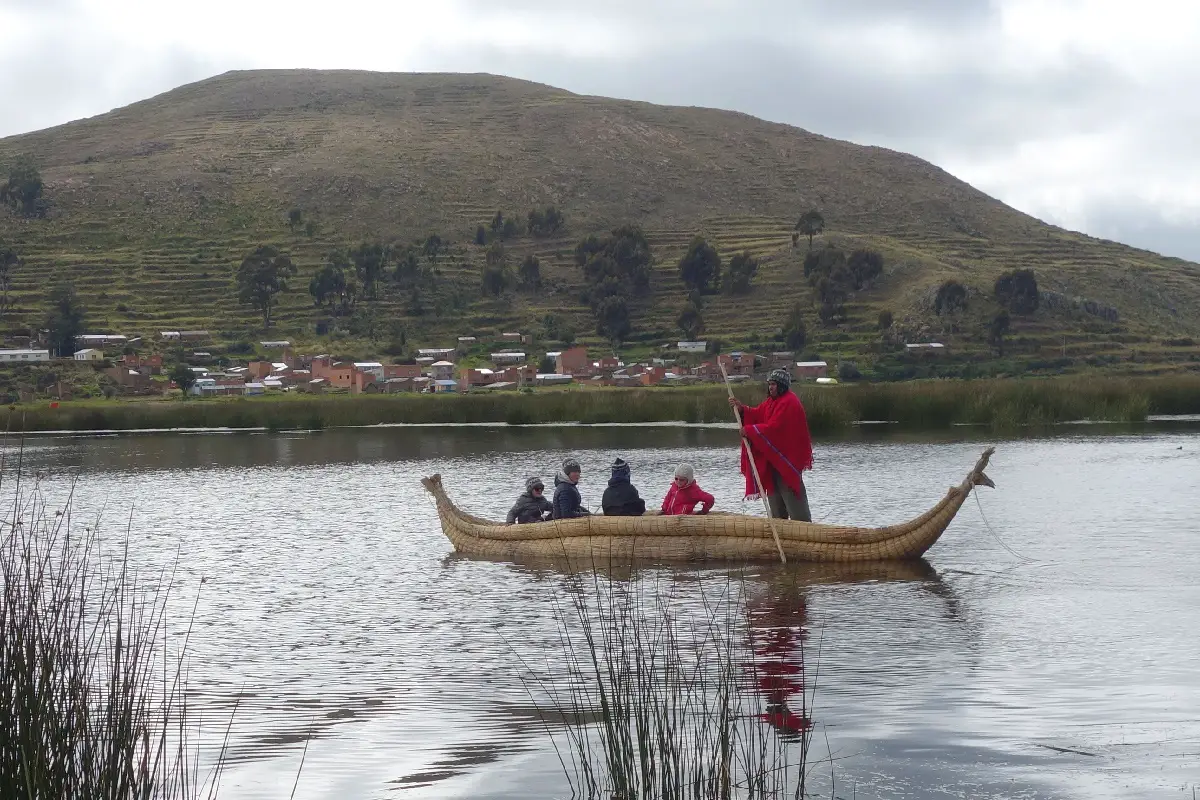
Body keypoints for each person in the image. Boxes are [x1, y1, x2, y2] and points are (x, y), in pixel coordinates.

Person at [728, 368, 813, 521]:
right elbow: (758, 414)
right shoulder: (771, 402)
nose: (771, 387)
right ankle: (779, 531)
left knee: (794, 503)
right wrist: (742, 409)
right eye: (769, 384)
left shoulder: (789, 402)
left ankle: (804, 529)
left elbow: (775, 428)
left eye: (774, 384)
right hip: (773, 462)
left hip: (787, 461)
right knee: (775, 502)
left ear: (781, 385)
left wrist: (749, 430)